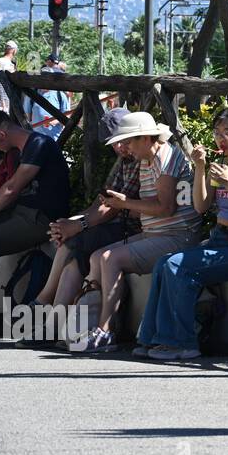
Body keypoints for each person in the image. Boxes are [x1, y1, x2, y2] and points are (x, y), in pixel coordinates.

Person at [135, 106, 228, 360]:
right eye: (217, 132)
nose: (221, 138)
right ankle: (152, 338)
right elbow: (201, 206)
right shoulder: (220, 164)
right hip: (220, 240)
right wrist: (200, 167)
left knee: (178, 267)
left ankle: (182, 343)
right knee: (163, 264)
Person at [69, 112, 204, 353]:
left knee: (111, 259)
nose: (126, 147)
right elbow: (150, 208)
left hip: (178, 236)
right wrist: (117, 205)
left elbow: (165, 206)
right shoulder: (146, 161)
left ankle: (105, 332)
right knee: (96, 256)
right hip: (156, 234)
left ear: (146, 139)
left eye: (130, 141)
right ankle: (92, 327)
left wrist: (125, 204)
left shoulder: (167, 156)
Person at [34, 109, 141, 309]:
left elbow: (115, 207)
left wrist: (78, 225)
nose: (119, 148)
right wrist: (70, 223)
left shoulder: (140, 159)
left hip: (135, 228)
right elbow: (103, 202)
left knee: (76, 240)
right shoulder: (124, 161)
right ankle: (52, 318)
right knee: (75, 253)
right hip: (120, 225)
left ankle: (42, 301)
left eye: (122, 140)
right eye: (113, 143)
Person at [0, 107, 70, 274]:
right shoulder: (23, 150)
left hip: (42, 219)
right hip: (22, 213)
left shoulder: (39, 144)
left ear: (1, 135)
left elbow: (10, 189)